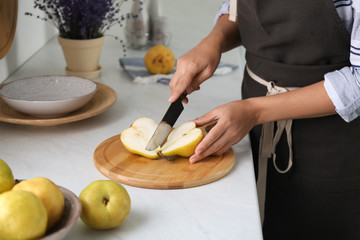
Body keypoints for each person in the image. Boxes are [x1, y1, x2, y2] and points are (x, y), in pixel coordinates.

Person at [168, 0, 360, 239]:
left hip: (331, 147)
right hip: (253, 131)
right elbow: (239, 8)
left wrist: (254, 111)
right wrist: (212, 42)